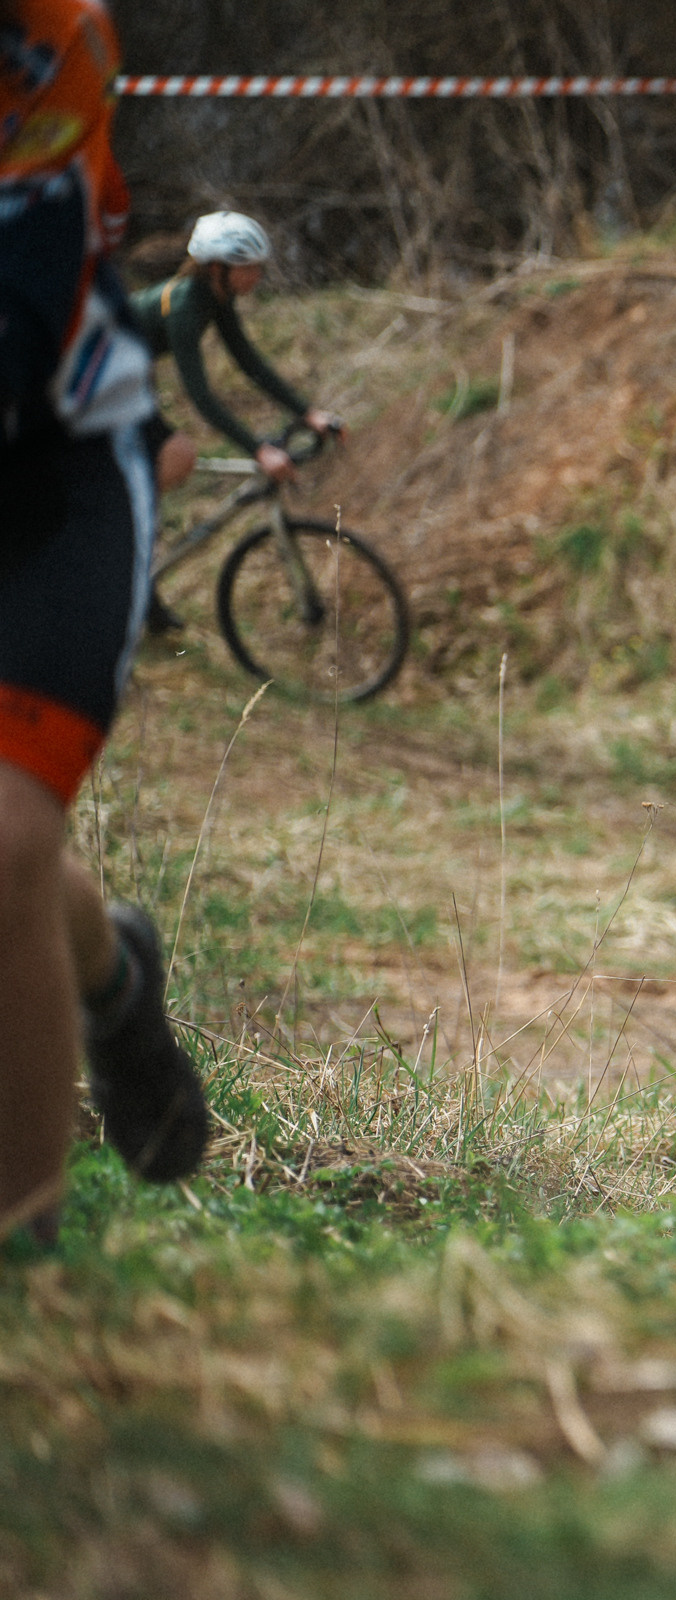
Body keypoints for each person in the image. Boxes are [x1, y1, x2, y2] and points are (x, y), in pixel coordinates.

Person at [2, 0, 213, 1250]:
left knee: (7, 837)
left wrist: (235, 441)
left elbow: (24, 312)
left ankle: (24, 1251)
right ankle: (111, 973)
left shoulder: (48, 34)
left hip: (59, 466)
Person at [129, 211, 338, 624]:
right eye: (249, 268)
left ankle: (138, 582)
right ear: (217, 268)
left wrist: (308, 412)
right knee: (156, 474)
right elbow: (201, 398)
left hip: (134, 373)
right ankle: (130, 577)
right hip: (108, 378)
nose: (257, 276)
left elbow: (249, 363)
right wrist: (258, 449)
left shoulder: (216, 297)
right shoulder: (187, 304)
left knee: (156, 475)